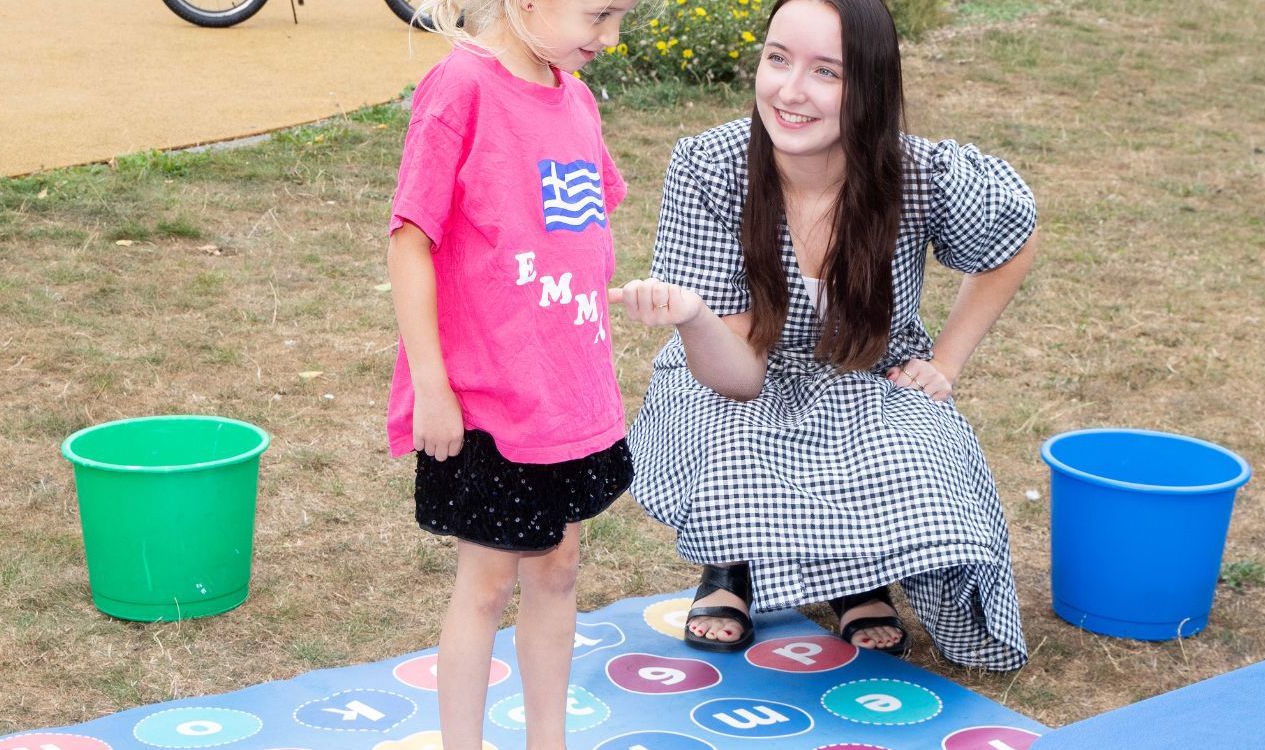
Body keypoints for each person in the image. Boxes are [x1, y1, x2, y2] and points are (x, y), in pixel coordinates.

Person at [606, 0, 1038, 669]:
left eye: (825, 72)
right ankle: (731, 568)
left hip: (866, 377)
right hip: (737, 378)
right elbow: (741, 378)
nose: (790, 90)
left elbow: (1013, 236)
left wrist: (945, 361)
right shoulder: (711, 166)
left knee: (922, 462)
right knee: (733, 437)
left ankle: (859, 575)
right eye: (777, 58)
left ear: (868, 85)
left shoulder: (916, 173)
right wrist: (693, 316)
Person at [383, 0, 638, 744]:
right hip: (492, 402)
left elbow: (576, 227)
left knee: (557, 570)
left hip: (568, 396)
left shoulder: (577, 97)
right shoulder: (460, 88)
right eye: (599, 14)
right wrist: (433, 388)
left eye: (621, 15)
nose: (610, 38)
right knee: (488, 584)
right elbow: (409, 242)